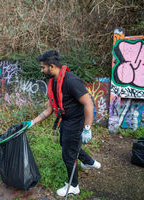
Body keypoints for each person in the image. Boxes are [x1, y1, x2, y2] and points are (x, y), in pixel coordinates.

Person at [23, 50, 101, 197]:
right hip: (65, 121)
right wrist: (31, 123)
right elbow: (49, 110)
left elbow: (88, 104)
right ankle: (89, 161)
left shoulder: (71, 81)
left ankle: (74, 186)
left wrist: (87, 128)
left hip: (76, 122)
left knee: (68, 155)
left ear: (51, 66)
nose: (42, 70)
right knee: (67, 146)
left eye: (43, 67)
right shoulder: (53, 83)